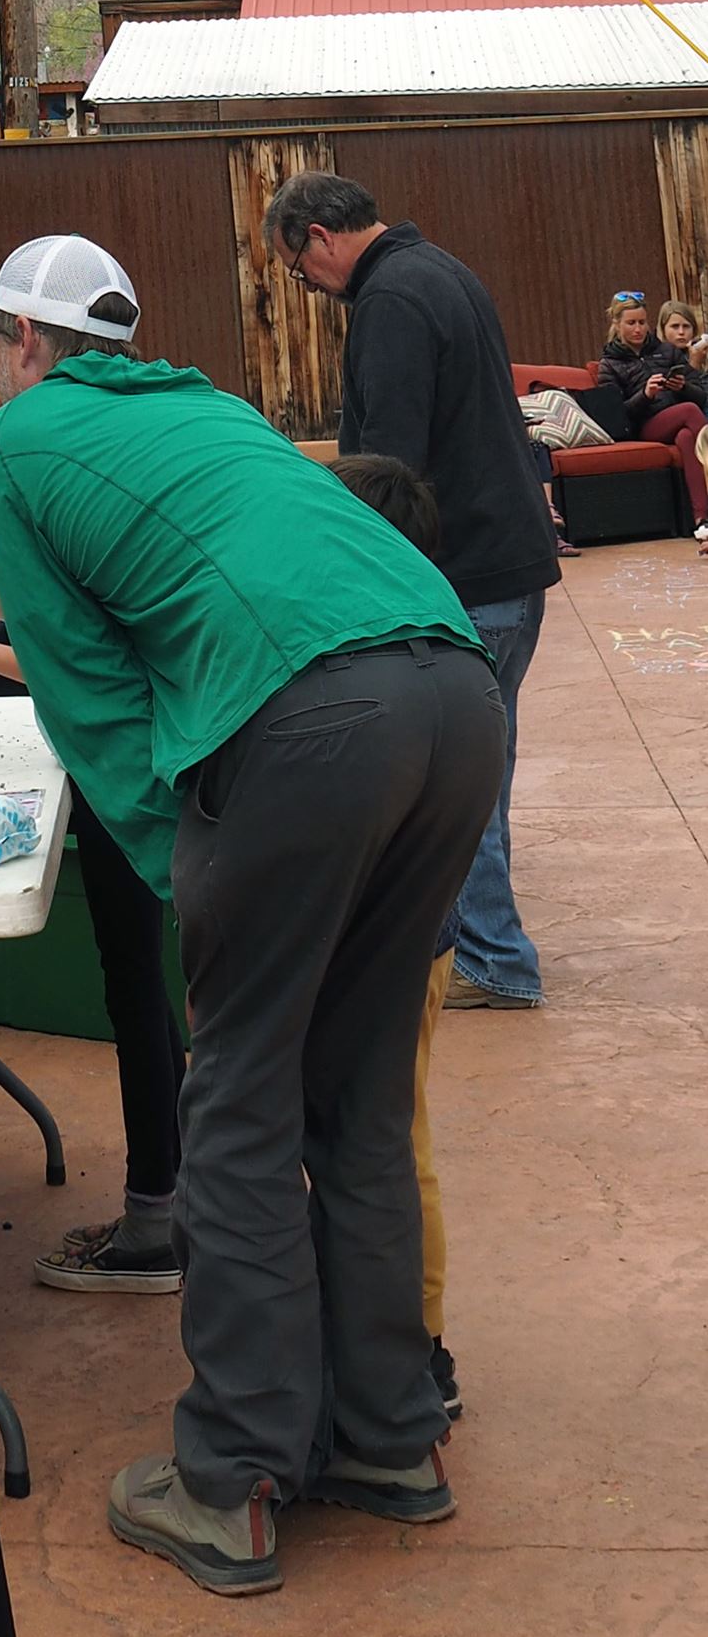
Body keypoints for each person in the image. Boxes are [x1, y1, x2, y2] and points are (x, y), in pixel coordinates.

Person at [0, 233, 503, 1598]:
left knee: (242, 1100)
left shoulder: (2, 451)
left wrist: (175, 863)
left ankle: (236, 1476)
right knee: (359, 1094)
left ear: (24, 348)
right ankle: (385, 1440)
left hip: (310, 725)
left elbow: (84, 690)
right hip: (452, 690)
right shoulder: (207, 411)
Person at [265, 171, 559, 1015]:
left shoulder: (390, 300)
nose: (310, 290)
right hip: (506, 567)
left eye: (298, 271)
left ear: (321, 236)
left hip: (463, 576)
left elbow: (388, 470)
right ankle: (484, 948)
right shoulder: (441, 269)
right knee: (476, 770)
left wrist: (351, 580)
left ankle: (494, 957)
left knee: (450, 782)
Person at [0, 573, 183, 1293]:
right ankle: (174, 1207)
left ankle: (158, 1229)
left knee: (141, 986)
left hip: (128, 775)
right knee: (147, 987)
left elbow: (66, 662)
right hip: (136, 767)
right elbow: (66, 622)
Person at [330, 453, 463, 1423]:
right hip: (414, 935)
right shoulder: (417, 631)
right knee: (383, 1134)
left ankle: (420, 1348)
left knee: (390, 1136)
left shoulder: (375, 658)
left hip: (397, 940)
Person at [597, 291, 708, 540]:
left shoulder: (667, 351)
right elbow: (616, 418)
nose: (638, 329)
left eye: (642, 322)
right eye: (631, 323)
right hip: (644, 426)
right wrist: (645, 395)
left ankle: (702, 520)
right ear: (617, 325)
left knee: (685, 438)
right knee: (689, 413)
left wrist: (683, 387)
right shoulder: (609, 364)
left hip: (677, 419)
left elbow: (700, 395)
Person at [657, 295, 708, 372]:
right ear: (663, 329)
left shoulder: (702, 353)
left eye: (686, 326)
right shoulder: (656, 358)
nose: (681, 332)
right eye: (675, 326)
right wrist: (694, 364)